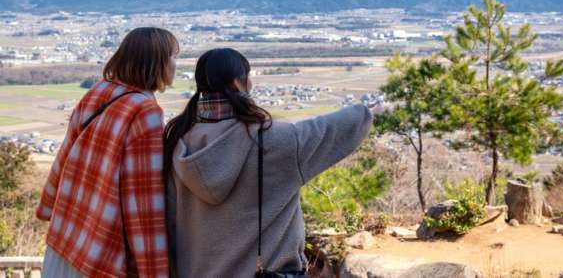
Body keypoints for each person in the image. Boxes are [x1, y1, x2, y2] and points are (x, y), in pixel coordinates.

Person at [164, 48, 374, 278]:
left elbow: (172, 226)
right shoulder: (276, 140)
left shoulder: (179, 142)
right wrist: (368, 109)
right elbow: (345, 125)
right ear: (238, 83)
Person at [37, 27, 178, 278]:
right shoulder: (145, 112)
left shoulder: (99, 92)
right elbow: (143, 200)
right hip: (99, 256)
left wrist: (48, 205)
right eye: (173, 57)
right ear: (157, 63)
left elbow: (65, 155)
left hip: (64, 240)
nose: (175, 64)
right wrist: (153, 271)